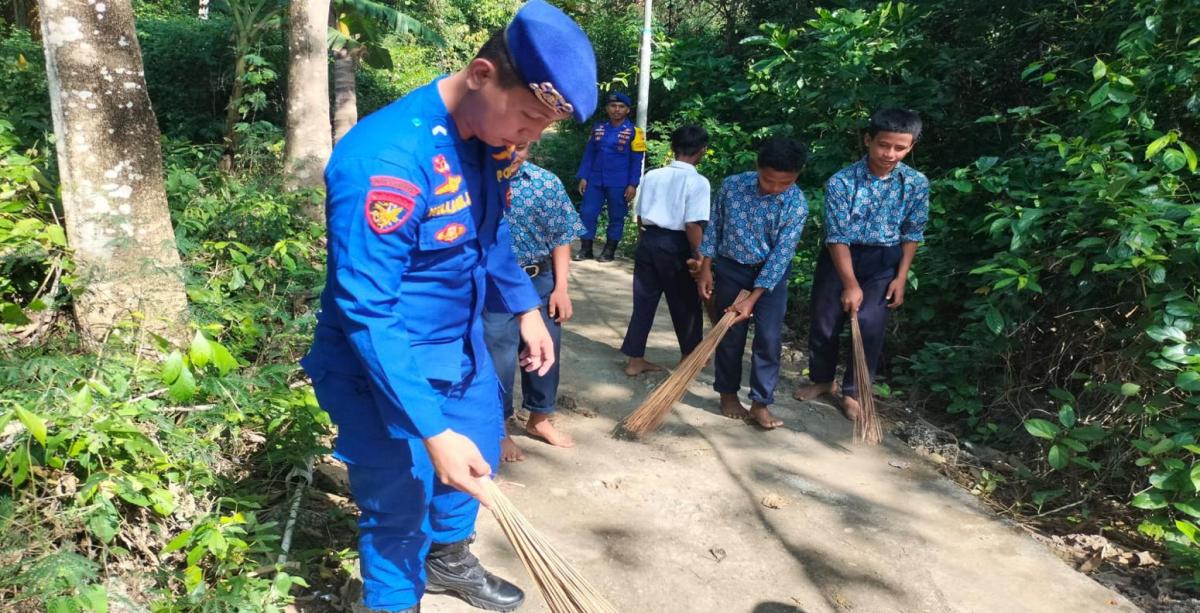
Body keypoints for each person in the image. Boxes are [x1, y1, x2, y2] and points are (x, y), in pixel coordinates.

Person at [299, 2, 597, 611]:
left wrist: (526, 308)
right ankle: (393, 600)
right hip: (382, 370)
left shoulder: (480, 139)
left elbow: (487, 235)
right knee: (399, 505)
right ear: (483, 74)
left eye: (543, 129)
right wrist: (431, 429)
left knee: (479, 459)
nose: (529, 138)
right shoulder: (387, 162)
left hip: (461, 353)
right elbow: (367, 311)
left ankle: (448, 560)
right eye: (528, 119)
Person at [793, 108, 929, 422]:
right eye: (884, 145)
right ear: (868, 140)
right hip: (840, 257)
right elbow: (836, 235)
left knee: (869, 325)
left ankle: (853, 391)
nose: (890, 154)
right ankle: (823, 380)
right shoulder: (842, 181)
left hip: (884, 261)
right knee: (826, 322)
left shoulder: (916, 183)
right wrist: (850, 284)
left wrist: (901, 276)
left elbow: (912, 232)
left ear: (910, 147)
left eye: (900, 148)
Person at [695, 137, 809, 431]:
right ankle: (728, 395)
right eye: (767, 179)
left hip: (770, 278)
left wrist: (753, 298)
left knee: (768, 340)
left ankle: (761, 403)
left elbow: (781, 255)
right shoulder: (733, 186)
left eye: (783, 183)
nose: (772, 188)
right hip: (732, 269)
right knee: (729, 335)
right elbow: (715, 228)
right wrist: (706, 268)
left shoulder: (796, 203)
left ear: (797, 176)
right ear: (758, 166)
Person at [483, 141, 584, 463]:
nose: (513, 153)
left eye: (522, 147)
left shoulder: (546, 183)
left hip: (540, 280)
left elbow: (561, 238)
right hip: (494, 284)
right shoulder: (476, 181)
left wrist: (561, 288)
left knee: (545, 351)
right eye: (505, 145)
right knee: (498, 356)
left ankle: (540, 418)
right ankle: (500, 428)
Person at [620, 124, 711, 377]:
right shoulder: (698, 182)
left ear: (672, 147)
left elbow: (639, 215)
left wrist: (647, 241)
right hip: (677, 244)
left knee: (644, 302)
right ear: (702, 151)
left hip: (649, 241)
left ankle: (634, 360)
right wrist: (700, 257)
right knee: (685, 303)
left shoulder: (651, 175)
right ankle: (689, 357)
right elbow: (693, 224)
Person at [574, 91, 646, 262]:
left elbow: (637, 161)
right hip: (595, 179)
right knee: (587, 212)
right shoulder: (599, 128)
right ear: (607, 108)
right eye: (613, 106)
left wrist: (633, 184)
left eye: (621, 107)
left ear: (628, 110)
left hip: (620, 181)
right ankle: (586, 249)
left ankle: (609, 250)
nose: (616, 110)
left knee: (617, 215)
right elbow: (589, 154)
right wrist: (584, 176)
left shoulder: (635, 132)